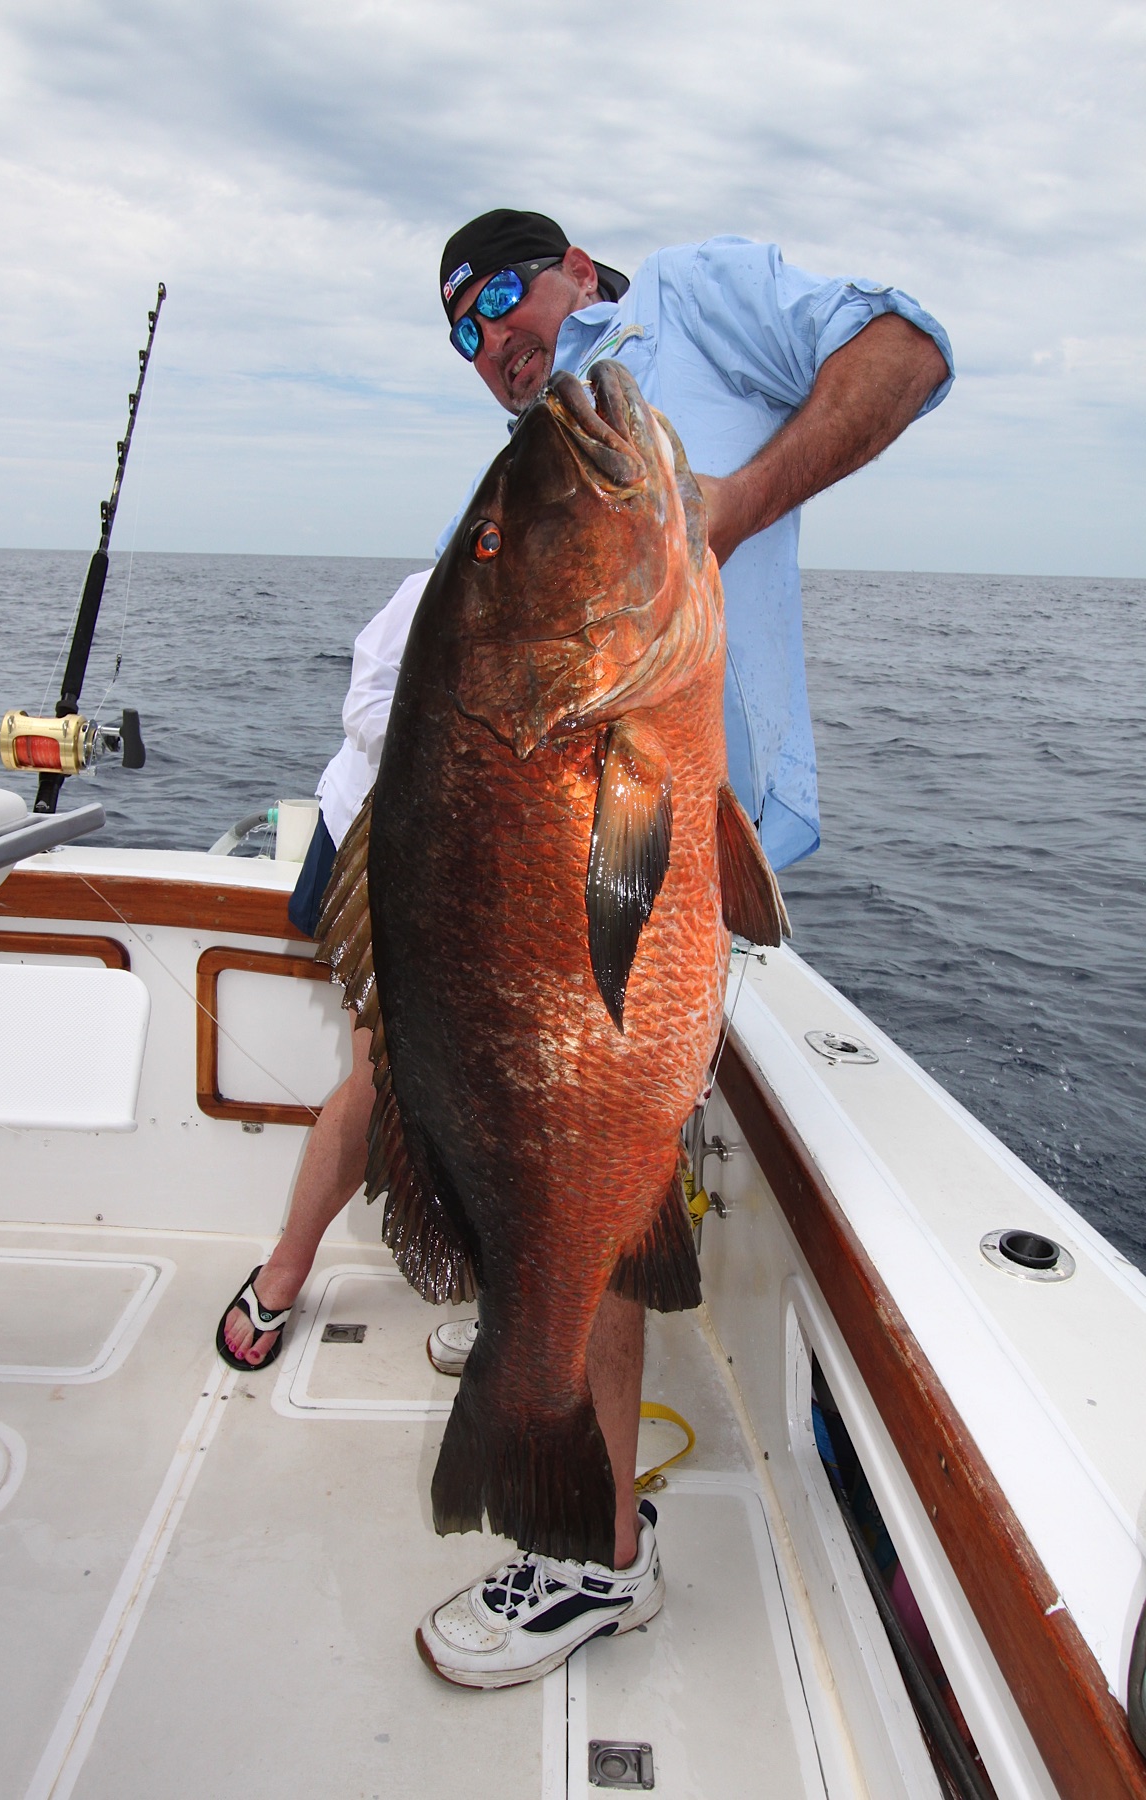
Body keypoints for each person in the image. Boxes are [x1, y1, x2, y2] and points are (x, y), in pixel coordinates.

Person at [218, 207, 953, 1690]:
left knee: (578, 1160)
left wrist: (732, 505)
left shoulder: (692, 300)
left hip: (647, 863)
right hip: (606, 869)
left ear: (570, 264)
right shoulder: (542, 470)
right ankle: (551, 1414)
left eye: (503, 298)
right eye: (467, 337)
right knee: (543, 1144)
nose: (497, 345)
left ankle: (593, 1550)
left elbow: (909, 352)